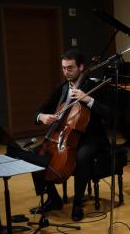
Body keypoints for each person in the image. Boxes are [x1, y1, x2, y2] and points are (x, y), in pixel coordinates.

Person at [32, 49, 110, 221]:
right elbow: (39, 111)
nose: (66, 72)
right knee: (34, 155)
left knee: (82, 157)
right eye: (64, 68)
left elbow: (109, 113)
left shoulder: (93, 86)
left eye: (70, 68)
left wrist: (87, 99)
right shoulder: (61, 88)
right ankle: (53, 198)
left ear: (81, 67)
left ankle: (78, 204)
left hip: (91, 137)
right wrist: (42, 117)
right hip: (63, 136)